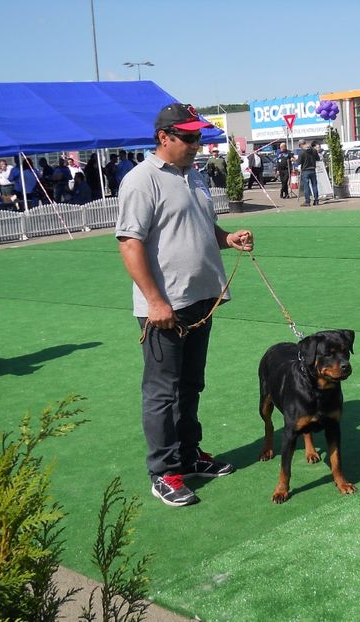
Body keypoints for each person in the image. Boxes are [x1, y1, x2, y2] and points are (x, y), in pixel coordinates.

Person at [115, 102, 254, 508]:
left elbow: (201, 228)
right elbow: (129, 242)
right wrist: (155, 301)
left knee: (191, 385)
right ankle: (164, 471)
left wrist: (227, 238)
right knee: (162, 392)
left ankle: (189, 455)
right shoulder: (142, 180)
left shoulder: (194, 176)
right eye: (189, 137)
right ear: (164, 137)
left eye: (198, 137)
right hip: (163, 308)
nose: (197, 144)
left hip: (200, 301)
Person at [298, 140, 320, 206]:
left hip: (305, 170)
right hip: (313, 169)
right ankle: (316, 201)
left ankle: (307, 201)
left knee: (306, 186)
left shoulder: (302, 152)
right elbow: (318, 158)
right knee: (314, 185)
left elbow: (299, 162)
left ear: (300, 145)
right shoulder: (313, 150)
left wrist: (295, 160)